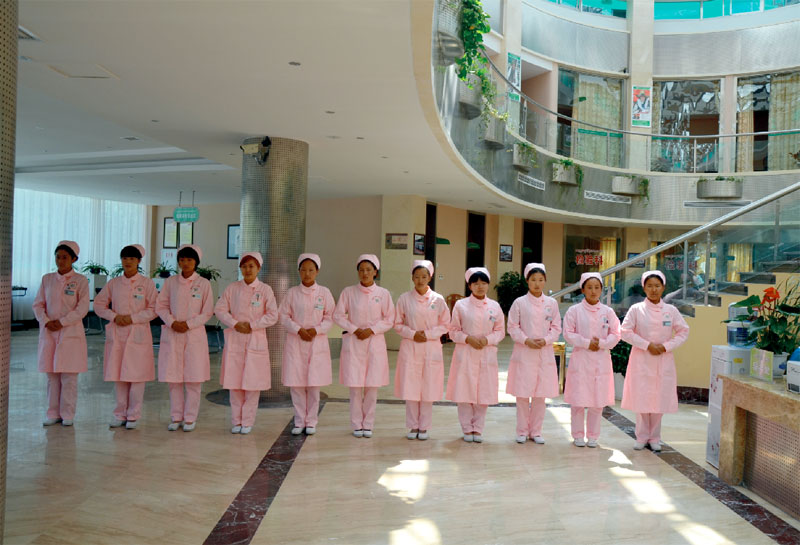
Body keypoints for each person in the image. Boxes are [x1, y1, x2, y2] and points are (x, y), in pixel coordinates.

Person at [621, 270, 690, 451]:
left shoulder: (670, 311)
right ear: (644, 288)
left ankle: (655, 438)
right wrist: (646, 345)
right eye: (650, 286)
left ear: (663, 288)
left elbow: (683, 331)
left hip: (662, 359)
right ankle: (641, 436)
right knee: (642, 398)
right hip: (642, 359)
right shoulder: (636, 309)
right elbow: (625, 332)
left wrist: (666, 346)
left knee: (659, 399)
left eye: (657, 286)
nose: (653, 290)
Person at [94, 244, 157, 429]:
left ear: (139, 261)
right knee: (119, 375)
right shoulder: (114, 283)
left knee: (137, 376)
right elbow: (99, 305)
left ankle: (133, 415)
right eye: (125, 258)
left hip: (137, 333)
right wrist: (114, 317)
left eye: (132, 258)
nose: (128, 262)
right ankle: (120, 414)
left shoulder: (147, 284)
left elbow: (154, 308)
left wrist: (132, 318)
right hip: (118, 334)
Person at [214, 251, 278, 434]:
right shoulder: (232, 288)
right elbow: (219, 309)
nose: (247, 270)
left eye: (251, 266)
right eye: (244, 266)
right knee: (234, 383)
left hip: (255, 338)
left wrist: (252, 325)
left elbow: (273, 315)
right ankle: (236, 421)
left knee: (252, 384)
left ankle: (247, 421)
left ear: (258, 268)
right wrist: (235, 324)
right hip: (236, 338)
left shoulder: (265, 290)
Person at [333, 254, 395, 438]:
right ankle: (356, 424)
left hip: (374, 342)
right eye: (361, 270)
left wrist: (372, 330)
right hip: (354, 342)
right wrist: (355, 329)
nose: (365, 273)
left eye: (369, 270)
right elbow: (338, 315)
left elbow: (390, 318)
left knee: (371, 387)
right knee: (355, 386)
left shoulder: (383, 294)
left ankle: (368, 424)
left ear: (375, 272)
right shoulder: (348, 292)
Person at [156, 244, 214, 432]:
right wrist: (172, 322)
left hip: (193, 335)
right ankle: (176, 417)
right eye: (182, 259)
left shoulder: (203, 284)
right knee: (174, 380)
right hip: (173, 333)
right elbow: (161, 306)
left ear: (196, 262)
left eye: (189, 259)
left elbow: (207, 312)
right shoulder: (171, 282)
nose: (185, 263)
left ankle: (190, 418)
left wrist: (188, 324)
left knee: (193, 380)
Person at [32, 240, 89, 426]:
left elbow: (82, 308)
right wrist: (46, 321)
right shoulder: (47, 279)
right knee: (52, 376)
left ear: (74, 259)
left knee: (69, 377)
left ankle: (68, 414)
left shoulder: (80, 281)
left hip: (70, 333)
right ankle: (52, 413)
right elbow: (38, 304)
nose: (61, 261)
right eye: (58, 257)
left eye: (65, 257)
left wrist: (62, 322)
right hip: (49, 332)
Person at [446, 267, 505, 443]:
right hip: (465, 352)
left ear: (488, 285)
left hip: (486, 353)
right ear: (469, 285)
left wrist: (487, 340)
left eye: (483, 283)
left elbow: (500, 331)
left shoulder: (495, 306)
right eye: (476, 283)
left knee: (483, 393)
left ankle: (478, 429)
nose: (480, 286)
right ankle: (467, 428)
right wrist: (467, 339)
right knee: (464, 392)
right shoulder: (461, 305)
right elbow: (453, 331)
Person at [393, 260, 450, 440]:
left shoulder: (438, 299)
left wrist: (427, 334)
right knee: (411, 387)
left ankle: (424, 427)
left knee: (428, 387)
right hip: (410, 346)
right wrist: (412, 334)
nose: (420, 280)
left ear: (430, 278)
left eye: (424, 276)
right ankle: (413, 426)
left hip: (431, 346)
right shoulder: (404, 299)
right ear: (412, 278)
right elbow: (397, 323)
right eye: (417, 277)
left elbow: (446, 324)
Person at [279, 253, 335, 436]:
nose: (307, 274)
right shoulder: (291, 293)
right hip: (296, 342)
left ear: (317, 271)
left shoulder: (324, 293)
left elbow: (330, 317)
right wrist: (298, 329)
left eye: (311, 270)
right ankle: (299, 420)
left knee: (313, 384)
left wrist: (316, 330)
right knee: (296, 384)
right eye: (303, 270)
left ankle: (311, 421)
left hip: (316, 342)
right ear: (299, 271)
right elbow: (283, 316)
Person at [562, 272, 620, 447]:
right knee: (578, 400)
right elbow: (568, 333)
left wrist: (601, 344)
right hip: (581, 359)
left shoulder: (608, 312)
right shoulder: (574, 311)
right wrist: (587, 343)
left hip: (601, 360)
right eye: (589, 287)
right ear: (582, 290)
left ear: (601, 289)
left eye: (597, 287)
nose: (593, 291)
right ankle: (578, 435)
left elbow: (616, 334)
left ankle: (593, 436)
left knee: (597, 401)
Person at [506, 263, 561, 444]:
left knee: (540, 395)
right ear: (527, 281)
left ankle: (536, 432)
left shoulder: (552, 303)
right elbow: (512, 327)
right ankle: (522, 431)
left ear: (545, 281)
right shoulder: (519, 303)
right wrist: (526, 340)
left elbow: (556, 327)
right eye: (533, 280)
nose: (537, 284)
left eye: (540, 280)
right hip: (524, 352)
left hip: (544, 352)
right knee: (522, 394)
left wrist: (546, 340)